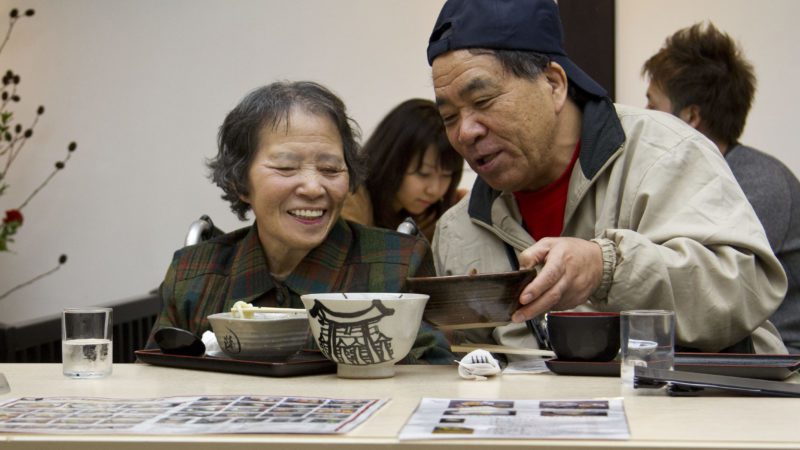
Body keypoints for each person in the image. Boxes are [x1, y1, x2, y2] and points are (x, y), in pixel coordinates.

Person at [426, 0, 788, 356]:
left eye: (484, 100)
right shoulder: (458, 233)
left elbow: (746, 290)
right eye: (449, 117)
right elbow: (470, 366)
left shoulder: (665, 152)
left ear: (553, 84)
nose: (465, 132)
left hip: (698, 408)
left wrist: (607, 267)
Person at [147, 81, 451, 363]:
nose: (313, 187)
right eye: (286, 167)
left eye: (330, 169)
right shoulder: (194, 275)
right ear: (241, 182)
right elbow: (153, 383)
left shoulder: (395, 265)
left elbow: (431, 377)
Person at [641, 23, 800, 353]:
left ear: (691, 116)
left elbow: (702, 296)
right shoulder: (693, 180)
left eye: (653, 106)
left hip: (775, 370)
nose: (644, 118)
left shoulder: (761, 185)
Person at [341, 98, 464, 242]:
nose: (434, 190)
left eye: (446, 175)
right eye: (423, 173)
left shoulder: (441, 213)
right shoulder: (349, 195)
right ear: (392, 160)